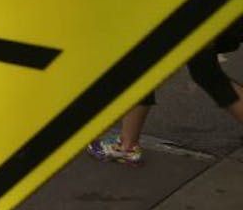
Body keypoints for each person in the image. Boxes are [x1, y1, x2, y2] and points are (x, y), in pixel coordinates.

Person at [88, 17, 243, 165]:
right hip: (217, 5)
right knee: (206, 73)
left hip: (198, 8)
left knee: (138, 62)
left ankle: (127, 145)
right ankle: (127, 143)